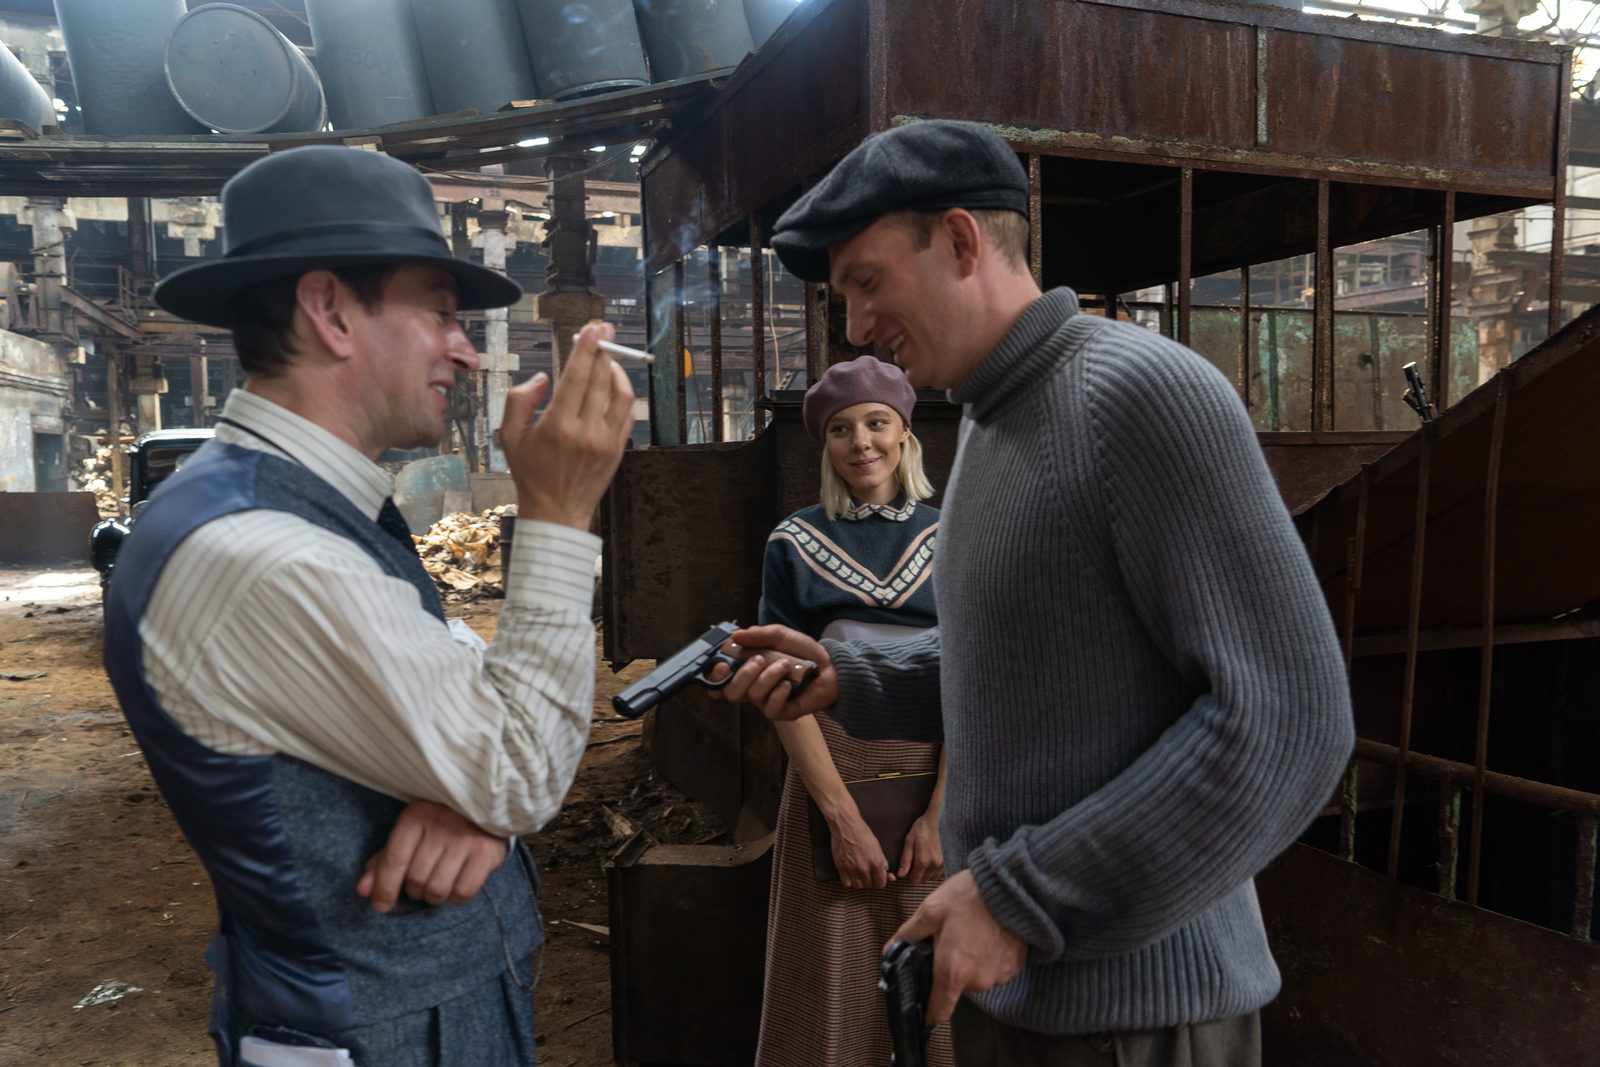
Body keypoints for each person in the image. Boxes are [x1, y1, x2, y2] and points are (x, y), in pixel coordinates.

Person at [714, 120, 1355, 1066]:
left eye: (867, 281)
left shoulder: (1140, 394)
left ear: (960, 240)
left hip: (1137, 1018)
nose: (855, 325)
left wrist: (1022, 896)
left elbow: (1292, 719)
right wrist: (853, 678)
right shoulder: (991, 417)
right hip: (1021, 992)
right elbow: (1033, 653)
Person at [101, 145, 635, 1065]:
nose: (466, 348)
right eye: (440, 311)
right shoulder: (260, 554)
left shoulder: (299, 506)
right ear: (331, 311)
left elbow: (466, 700)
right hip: (375, 1036)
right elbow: (518, 763)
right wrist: (558, 513)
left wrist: (472, 803)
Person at [755, 356, 952, 1067]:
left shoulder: (953, 535)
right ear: (825, 444)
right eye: (840, 429)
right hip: (830, 776)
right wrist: (841, 819)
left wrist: (941, 814)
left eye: (876, 423)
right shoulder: (793, 542)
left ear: (904, 434)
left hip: (938, 780)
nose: (861, 441)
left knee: (939, 973)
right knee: (832, 977)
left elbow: (974, 679)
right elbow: (780, 690)